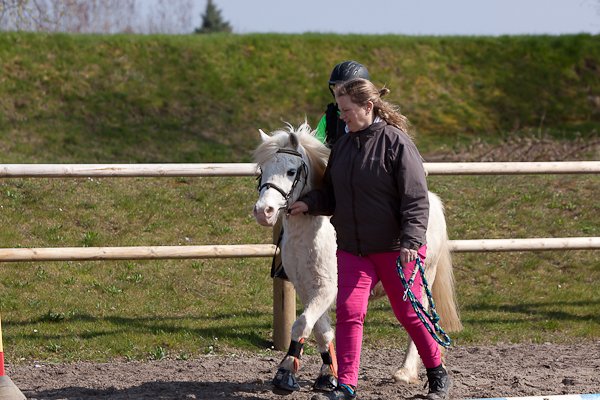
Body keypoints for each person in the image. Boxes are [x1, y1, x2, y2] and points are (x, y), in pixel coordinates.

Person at [289, 78, 452, 400]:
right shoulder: (344, 147)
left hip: (395, 248)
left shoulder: (396, 142)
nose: (342, 116)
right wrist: (309, 203)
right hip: (354, 249)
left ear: (368, 107)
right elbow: (332, 194)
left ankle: (437, 372)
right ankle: (346, 384)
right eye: (340, 109)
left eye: (346, 110)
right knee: (349, 313)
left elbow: (416, 197)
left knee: (409, 313)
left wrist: (411, 240)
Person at [269, 60, 371, 280]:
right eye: (336, 87)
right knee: (295, 194)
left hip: (362, 174)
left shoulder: (372, 114)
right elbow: (317, 145)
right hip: (334, 170)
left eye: (345, 87)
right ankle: (288, 260)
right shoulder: (330, 116)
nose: (339, 91)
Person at [315, 60, 371, 148]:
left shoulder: (377, 121)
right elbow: (316, 148)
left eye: (345, 89)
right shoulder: (329, 118)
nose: (339, 93)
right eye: (336, 87)